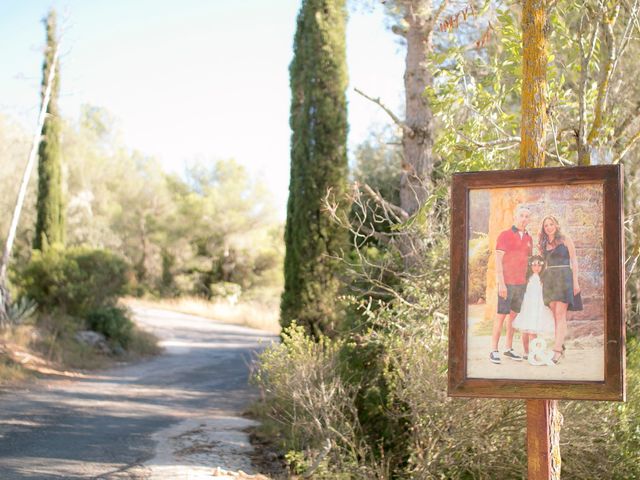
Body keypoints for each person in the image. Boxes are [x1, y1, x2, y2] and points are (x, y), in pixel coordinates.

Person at [489, 205, 533, 364]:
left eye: (527, 216)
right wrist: (501, 283)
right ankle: (494, 349)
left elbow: (529, 262)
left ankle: (508, 348)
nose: (524, 219)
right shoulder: (504, 235)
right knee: (500, 317)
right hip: (506, 283)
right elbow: (498, 260)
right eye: (521, 215)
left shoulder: (529, 238)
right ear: (515, 217)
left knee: (513, 319)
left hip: (521, 284)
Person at [539, 215, 583, 364]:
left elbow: (574, 260)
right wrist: (540, 281)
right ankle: (561, 345)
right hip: (550, 280)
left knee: (560, 314)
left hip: (564, 278)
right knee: (555, 315)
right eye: (546, 226)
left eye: (551, 224)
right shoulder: (544, 243)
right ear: (544, 229)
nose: (549, 227)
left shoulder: (565, 239)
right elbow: (543, 264)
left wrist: (575, 282)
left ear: (556, 225)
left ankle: (557, 350)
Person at [512, 255, 555, 360]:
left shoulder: (543, 278)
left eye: (539, 265)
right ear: (530, 266)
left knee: (533, 330)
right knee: (525, 329)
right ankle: (526, 352)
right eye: (534, 265)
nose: (537, 267)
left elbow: (546, 292)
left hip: (538, 306)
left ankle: (534, 352)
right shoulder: (527, 278)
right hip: (527, 306)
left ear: (542, 266)